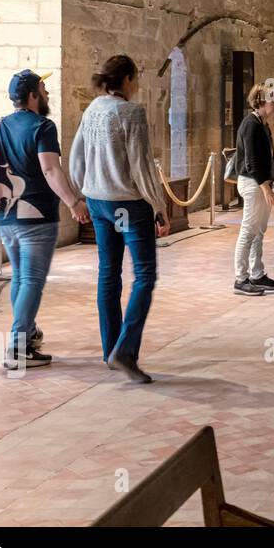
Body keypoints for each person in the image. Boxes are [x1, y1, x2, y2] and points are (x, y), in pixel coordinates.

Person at [0, 70, 89, 371]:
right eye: (43, 89)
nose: (48, 94)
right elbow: (51, 170)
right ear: (32, 96)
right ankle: (17, 347)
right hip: (36, 217)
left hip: (5, 217)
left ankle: (27, 335)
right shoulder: (42, 127)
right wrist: (74, 202)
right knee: (32, 281)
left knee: (21, 278)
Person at [69, 54, 169, 383]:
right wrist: (158, 204)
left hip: (98, 202)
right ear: (126, 79)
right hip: (126, 203)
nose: (137, 83)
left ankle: (110, 347)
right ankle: (125, 351)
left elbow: (76, 156)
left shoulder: (93, 109)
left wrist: (83, 191)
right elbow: (141, 165)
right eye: (135, 77)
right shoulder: (131, 112)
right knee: (144, 275)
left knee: (108, 274)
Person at [233, 84, 274, 295]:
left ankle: (257, 273)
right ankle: (240, 278)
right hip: (252, 183)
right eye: (273, 99)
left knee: (259, 231)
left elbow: (268, 157)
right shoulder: (250, 124)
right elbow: (252, 162)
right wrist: (266, 188)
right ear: (261, 101)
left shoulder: (263, 123)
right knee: (248, 230)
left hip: (262, 183)